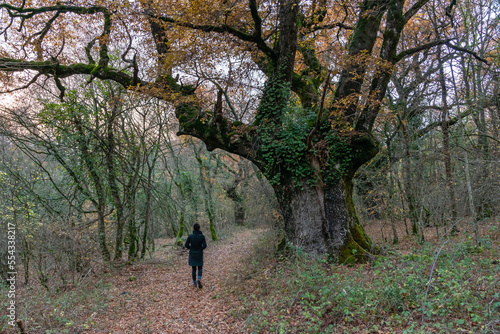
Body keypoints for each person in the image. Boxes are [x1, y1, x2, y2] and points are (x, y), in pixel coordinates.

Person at [184, 223, 207, 288]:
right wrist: (200, 249)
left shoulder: (190, 236)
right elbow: (205, 246)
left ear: (193, 229)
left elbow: (186, 245)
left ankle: (194, 283)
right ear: (199, 228)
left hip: (192, 253)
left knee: (193, 269)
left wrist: (191, 248)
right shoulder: (202, 236)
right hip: (199, 253)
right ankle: (199, 278)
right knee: (200, 267)